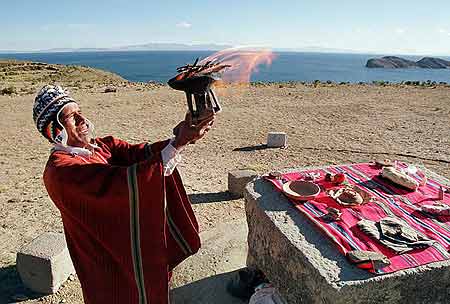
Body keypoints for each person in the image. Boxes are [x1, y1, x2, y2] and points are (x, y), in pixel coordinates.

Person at [32, 84, 215, 304]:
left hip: (122, 243)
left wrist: (181, 138)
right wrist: (177, 143)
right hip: (104, 255)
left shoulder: (97, 147)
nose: (82, 119)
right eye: (71, 117)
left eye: (80, 111)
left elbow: (134, 155)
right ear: (55, 130)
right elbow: (117, 185)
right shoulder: (61, 172)